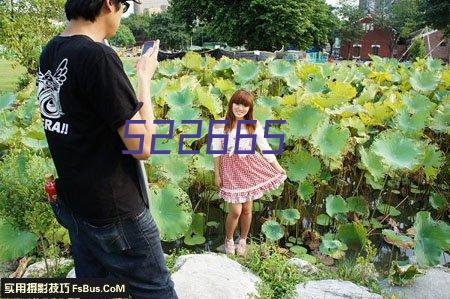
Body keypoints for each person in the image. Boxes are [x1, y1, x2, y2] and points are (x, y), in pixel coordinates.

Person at [36, 0, 178, 298]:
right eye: (124, 7)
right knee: (156, 291)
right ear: (108, 4)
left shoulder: (50, 51)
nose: (123, 16)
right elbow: (143, 146)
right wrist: (144, 80)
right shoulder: (98, 56)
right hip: (115, 213)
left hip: (75, 205)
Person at [212, 90, 287, 256]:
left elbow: (264, 147)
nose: (240, 108)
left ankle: (243, 240)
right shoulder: (219, 125)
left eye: (245, 105)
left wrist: (277, 167)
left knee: (247, 209)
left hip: (250, 167)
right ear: (231, 104)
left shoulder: (254, 124)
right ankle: (229, 239)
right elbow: (216, 151)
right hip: (230, 168)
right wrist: (217, 174)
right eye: (237, 103)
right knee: (236, 211)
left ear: (249, 108)